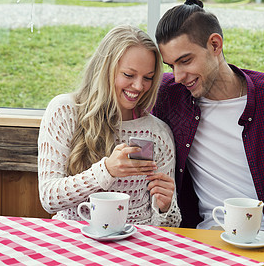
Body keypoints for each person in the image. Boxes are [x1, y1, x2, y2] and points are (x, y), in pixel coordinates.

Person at [152, 0, 264, 236]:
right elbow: (120, 89)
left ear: (215, 45)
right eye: (171, 65)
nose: (179, 75)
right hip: (207, 239)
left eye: (185, 61)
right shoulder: (171, 96)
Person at [38, 25, 181, 227]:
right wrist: (107, 170)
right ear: (105, 69)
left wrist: (165, 207)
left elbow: (168, 226)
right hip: (77, 240)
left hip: (137, 244)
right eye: (129, 75)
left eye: (148, 77)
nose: (139, 86)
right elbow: (49, 198)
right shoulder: (65, 111)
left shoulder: (158, 132)